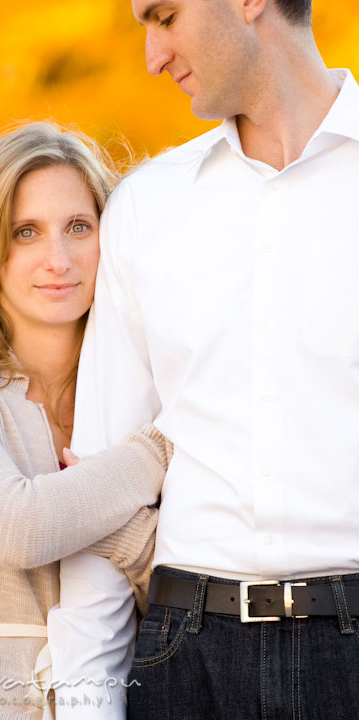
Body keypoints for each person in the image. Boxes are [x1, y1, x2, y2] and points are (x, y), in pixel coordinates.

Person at [47, 1, 359, 718]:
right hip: (185, 660)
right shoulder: (147, 209)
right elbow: (101, 492)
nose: (153, 56)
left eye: (164, 16)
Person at [0, 121, 169, 720]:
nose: (58, 259)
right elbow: (18, 528)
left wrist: (113, 522)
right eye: (26, 233)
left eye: (78, 227)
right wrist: (155, 457)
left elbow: (178, 587)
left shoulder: (140, 393)